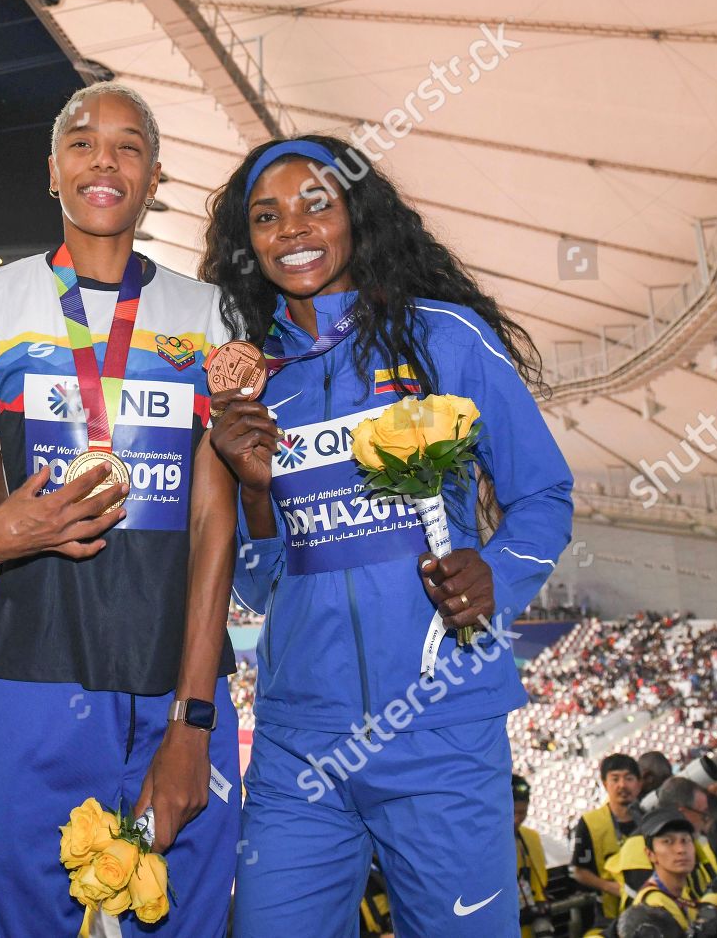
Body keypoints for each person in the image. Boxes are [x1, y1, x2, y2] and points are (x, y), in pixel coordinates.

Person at [204, 134, 573, 937]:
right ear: (247, 242)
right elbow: (260, 581)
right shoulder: (254, 383)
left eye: (316, 204)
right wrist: (257, 493)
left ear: (357, 215)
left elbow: (544, 494)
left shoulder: (445, 338)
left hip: (440, 727)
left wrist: (497, 573)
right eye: (266, 216)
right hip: (299, 745)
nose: (292, 229)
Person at [0, 82, 241, 936]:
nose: (103, 159)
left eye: (129, 146)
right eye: (82, 141)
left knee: (177, 921)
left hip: (172, 686)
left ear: (154, 181)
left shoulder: (209, 315)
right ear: (52, 171)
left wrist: (194, 717)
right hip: (25, 681)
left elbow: (217, 521)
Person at [610, 776, 717, 906]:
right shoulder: (638, 845)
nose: (705, 819)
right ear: (683, 812)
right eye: (703, 813)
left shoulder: (691, 839)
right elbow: (658, 900)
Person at [573, 754, 642, 920]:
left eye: (629, 778)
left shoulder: (651, 819)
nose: (622, 785)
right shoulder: (590, 822)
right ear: (605, 784)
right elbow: (580, 871)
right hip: (610, 915)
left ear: (639, 784)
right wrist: (609, 886)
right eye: (615, 779)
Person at [632, 810, 700, 931]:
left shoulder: (681, 893)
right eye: (667, 841)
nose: (681, 850)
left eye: (685, 840)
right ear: (650, 854)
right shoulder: (652, 906)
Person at [514, 775, 550, 938]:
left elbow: (540, 884)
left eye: (522, 813)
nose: (516, 819)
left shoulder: (532, 838)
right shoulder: (483, 845)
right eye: (511, 812)